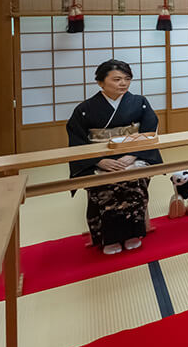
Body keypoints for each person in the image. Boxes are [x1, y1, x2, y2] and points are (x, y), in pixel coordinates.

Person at [66, 59, 163, 255]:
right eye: (117, 79)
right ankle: (107, 237)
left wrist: (133, 154)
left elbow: (150, 131)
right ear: (101, 82)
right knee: (104, 187)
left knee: (133, 183)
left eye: (127, 79)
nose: (123, 83)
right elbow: (77, 140)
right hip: (100, 158)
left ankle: (134, 232)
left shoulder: (139, 103)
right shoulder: (85, 109)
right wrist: (98, 160)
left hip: (133, 156)